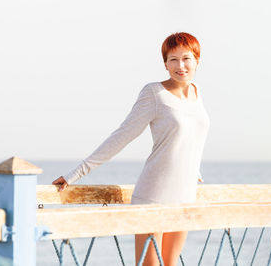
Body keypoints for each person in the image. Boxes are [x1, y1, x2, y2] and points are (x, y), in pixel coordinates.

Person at [52, 32, 210, 266]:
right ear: (165, 63)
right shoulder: (154, 93)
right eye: (173, 59)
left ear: (197, 60)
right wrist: (76, 173)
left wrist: (192, 168)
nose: (180, 65)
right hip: (154, 195)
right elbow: (121, 136)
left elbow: (191, 136)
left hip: (185, 196)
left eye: (186, 58)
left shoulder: (196, 93)